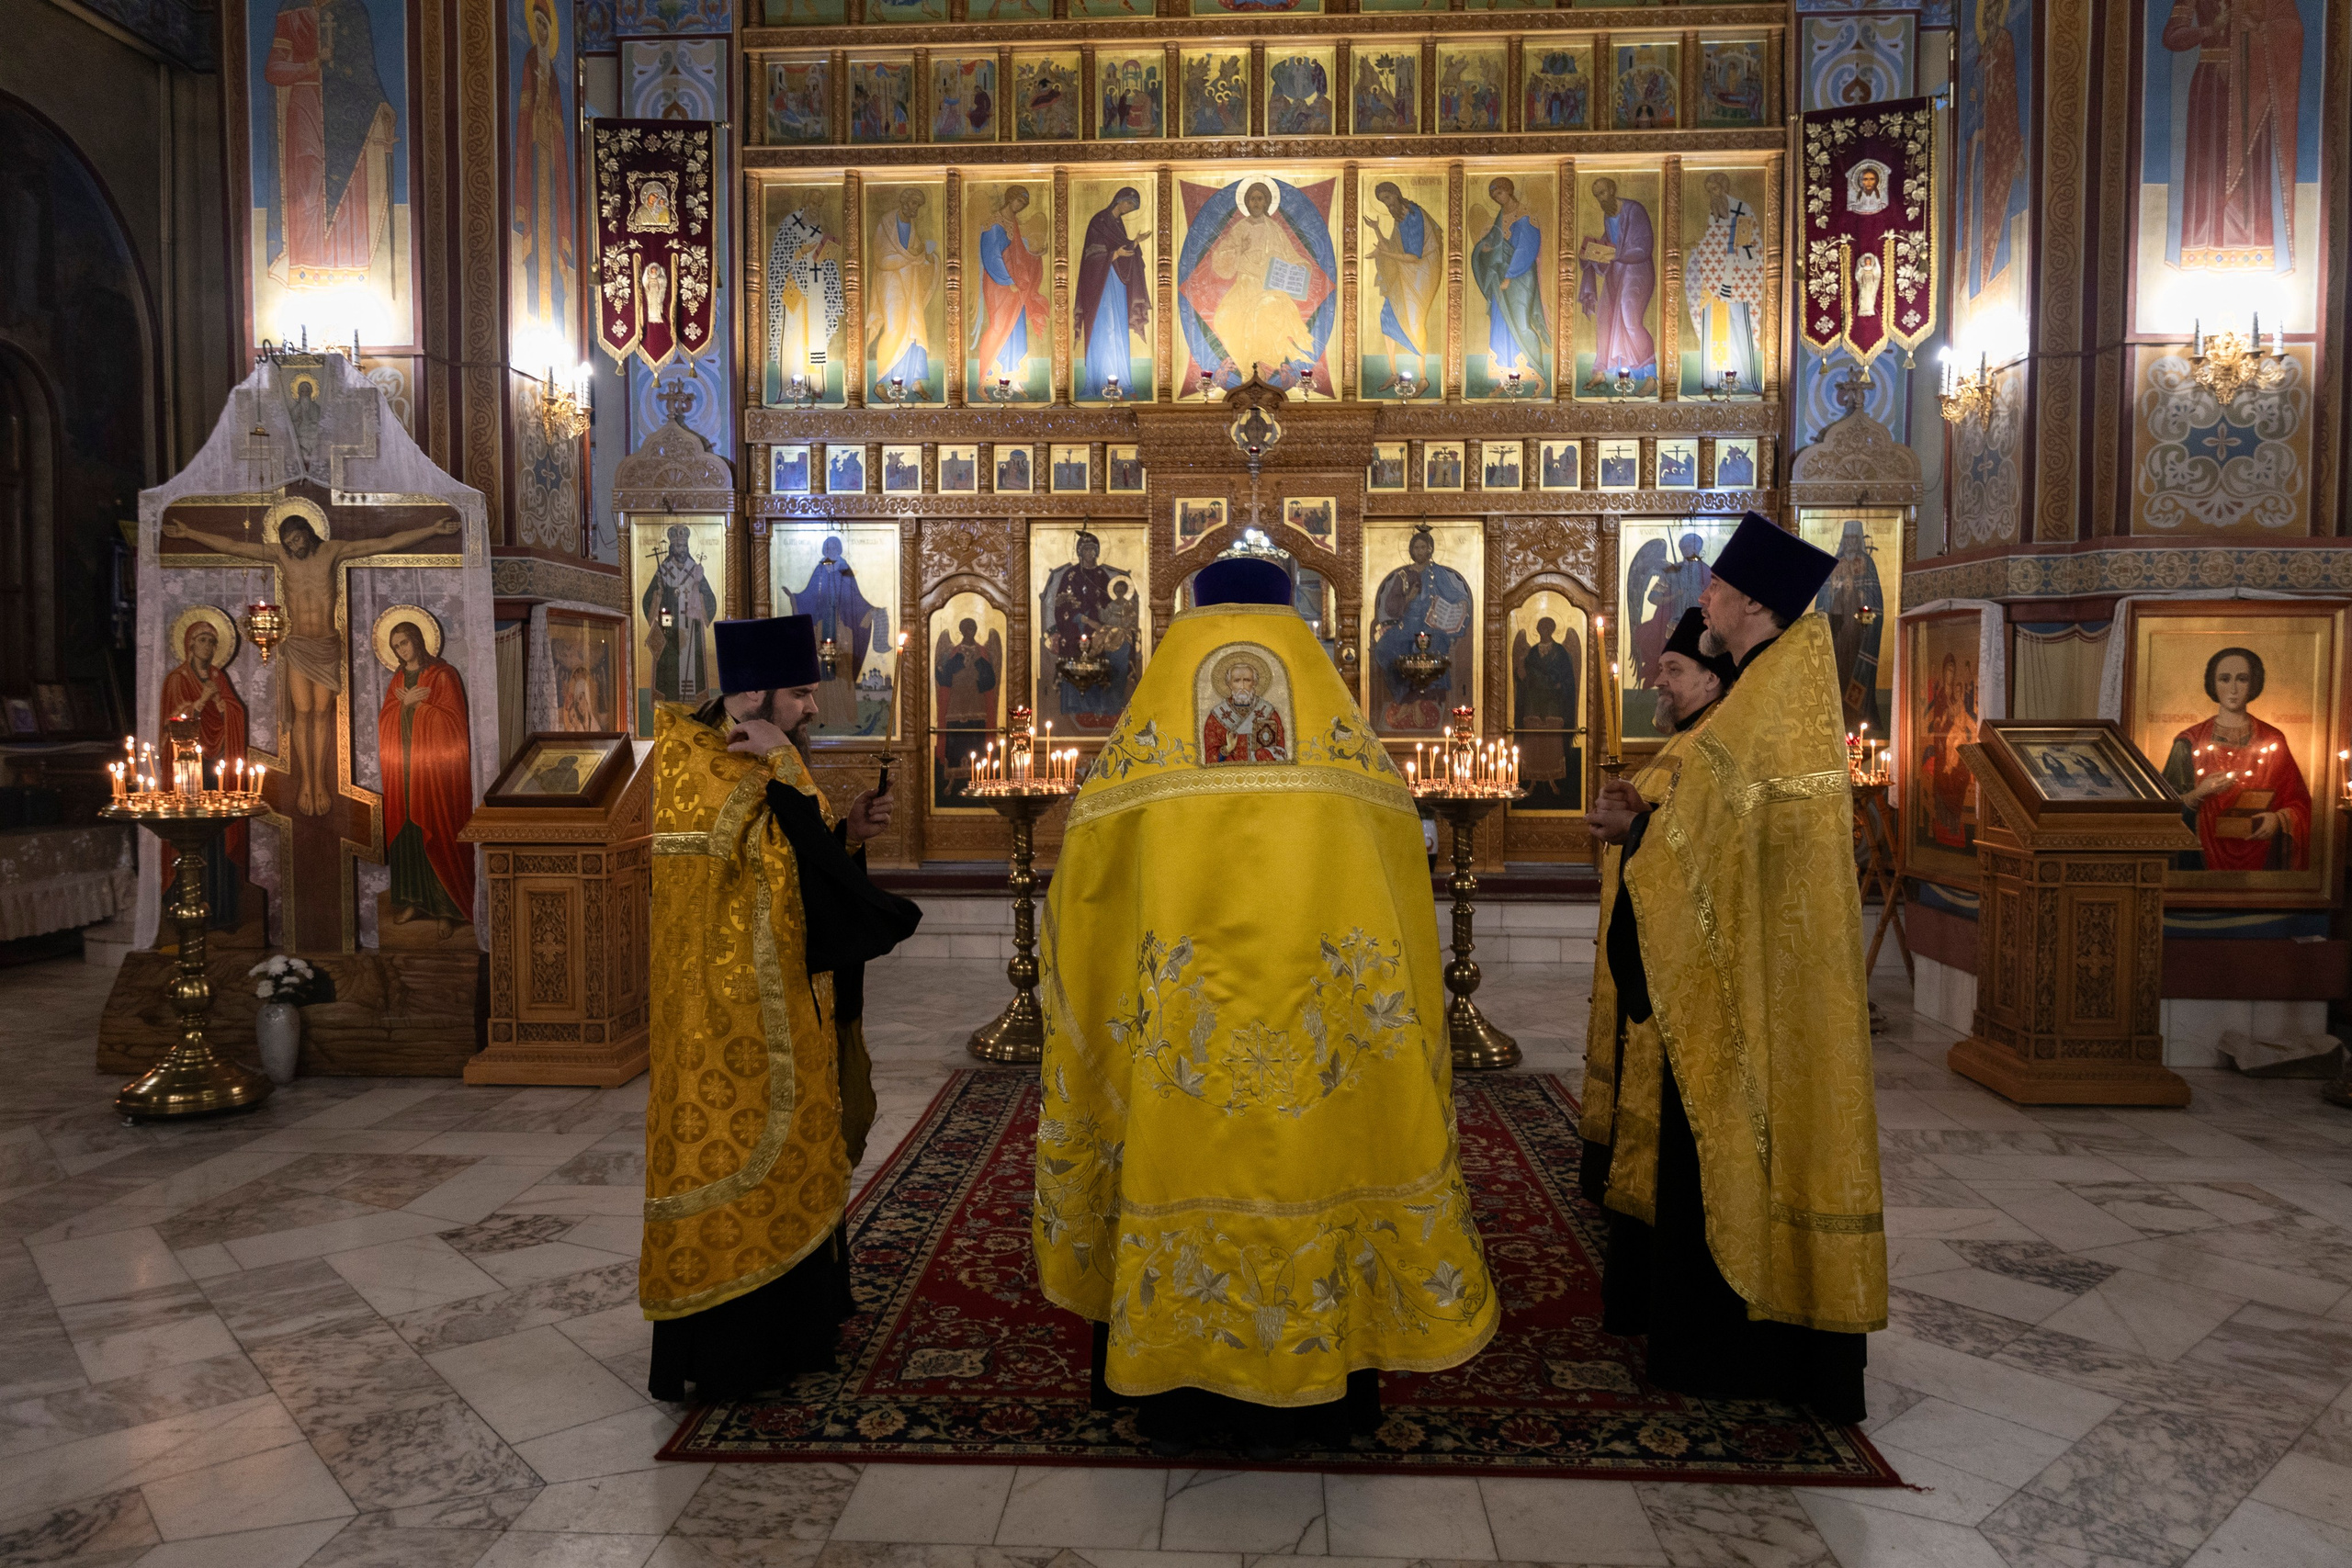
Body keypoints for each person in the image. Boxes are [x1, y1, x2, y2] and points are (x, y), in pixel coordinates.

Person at [1035, 547, 1497, 1460]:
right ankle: (1328, 1378)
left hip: (1180, 1038)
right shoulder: (1341, 746)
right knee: (1317, 1148)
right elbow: (1401, 865)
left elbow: (1081, 881)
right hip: (1314, 1034)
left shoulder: (1149, 741)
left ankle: (1172, 1372)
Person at [1578, 515, 1886, 1424]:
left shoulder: (1771, 696)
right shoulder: (1765, 690)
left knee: (1732, 1145)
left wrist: (1639, 828)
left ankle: (1737, 1348)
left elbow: (1710, 838)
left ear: (1752, 601)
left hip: (1747, 982)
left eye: (1713, 587)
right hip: (1722, 970)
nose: (1701, 599)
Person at [643, 615, 921, 1403]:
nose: (811, 708)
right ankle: (740, 1351)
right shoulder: (700, 764)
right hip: (729, 1023)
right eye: (801, 693)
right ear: (756, 693)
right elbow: (768, 870)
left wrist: (844, 832)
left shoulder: (748, 756)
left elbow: (789, 868)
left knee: (802, 1149)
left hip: (774, 1006)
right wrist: (794, 781)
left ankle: (801, 1327)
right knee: (744, 1157)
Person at [2160, 646, 2312, 872]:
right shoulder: (2188, 742)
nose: (2232, 689)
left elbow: (2299, 803)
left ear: (2253, 684)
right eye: (2224, 679)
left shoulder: (2273, 739)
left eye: (2242, 679)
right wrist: (2199, 793)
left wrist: (2278, 820)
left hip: (2261, 853)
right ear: (2213, 684)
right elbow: (2163, 810)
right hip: (2199, 861)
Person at [378, 618, 475, 938]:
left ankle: (446, 909)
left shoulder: (443, 676)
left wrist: (421, 710)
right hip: (404, 769)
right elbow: (387, 719)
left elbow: (454, 725)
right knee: (409, 833)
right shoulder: (398, 679)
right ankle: (413, 901)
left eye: (404, 643)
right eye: (395, 647)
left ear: (418, 640)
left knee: (436, 828)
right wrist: (404, 706)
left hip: (433, 772)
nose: (401, 651)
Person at [159, 617, 250, 928]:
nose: (208, 647)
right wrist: (201, 701)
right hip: (189, 767)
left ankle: (221, 912)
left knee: (219, 833)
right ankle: (187, 912)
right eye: (202, 641)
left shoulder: (218, 676)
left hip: (217, 765)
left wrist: (225, 708)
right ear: (189, 645)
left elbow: (233, 711)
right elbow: (173, 723)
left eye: (212, 642)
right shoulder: (177, 679)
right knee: (193, 834)